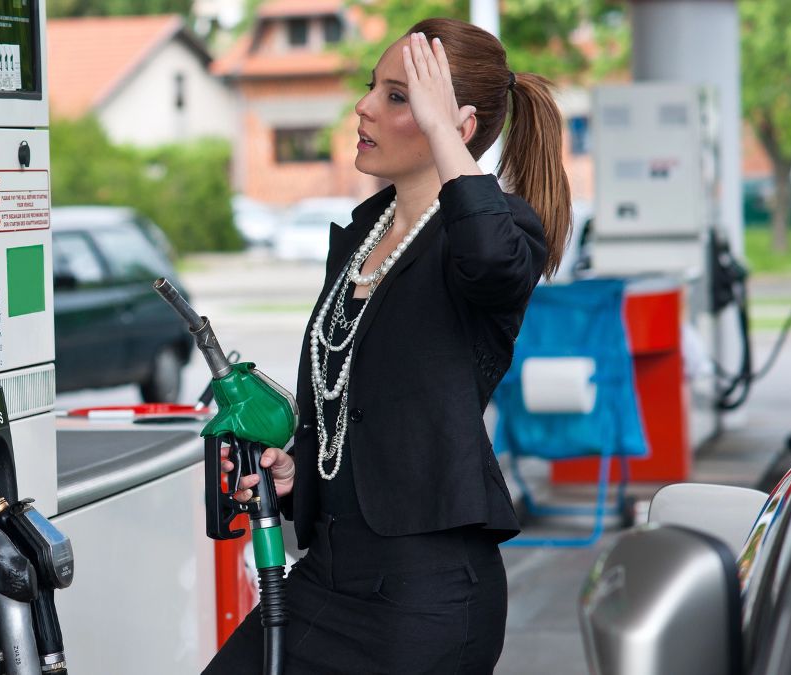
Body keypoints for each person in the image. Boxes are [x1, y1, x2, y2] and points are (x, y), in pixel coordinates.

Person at [203, 17, 572, 675]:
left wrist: (443, 136)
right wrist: (302, 470)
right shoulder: (361, 237)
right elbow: (354, 393)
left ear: (453, 127)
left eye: (399, 97)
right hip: (328, 576)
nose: (364, 106)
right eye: (374, 87)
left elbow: (490, 261)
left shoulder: (497, 233)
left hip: (425, 597)